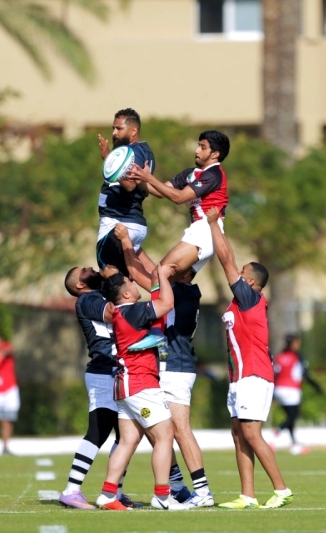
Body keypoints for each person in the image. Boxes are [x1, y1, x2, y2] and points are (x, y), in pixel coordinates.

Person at [113, 223, 214, 507]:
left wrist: (126, 242)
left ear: (184, 272)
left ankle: (202, 491)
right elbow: (152, 268)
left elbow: (139, 273)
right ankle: (177, 485)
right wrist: (135, 245)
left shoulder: (179, 292)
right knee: (157, 429)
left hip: (175, 367)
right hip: (173, 366)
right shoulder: (182, 289)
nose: (167, 267)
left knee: (178, 429)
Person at [204, 208, 294, 510]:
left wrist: (214, 225)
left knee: (252, 433)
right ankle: (247, 495)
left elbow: (226, 259)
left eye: (243, 272)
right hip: (239, 378)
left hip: (254, 375)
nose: (237, 274)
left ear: (252, 282)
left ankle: (281, 489)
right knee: (239, 434)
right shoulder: (238, 303)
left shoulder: (250, 298)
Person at [94, 264, 190, 511]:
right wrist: (162, 276)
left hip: (125, 386)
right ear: (126, 294)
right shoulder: (133, 311)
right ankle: (162, 496)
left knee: (128, 441)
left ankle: (107, 494)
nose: (135, 284)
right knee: (165, 437)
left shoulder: (123, 312)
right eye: (131, 283)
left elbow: (157, 306)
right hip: (141, 384)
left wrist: (158, 281)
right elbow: (167, 304)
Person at [59, 265, 139, 510]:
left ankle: (115, 491)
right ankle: (71, 490)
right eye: (84, 270)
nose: (91, 268)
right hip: (103, 372)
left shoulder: (100, 293)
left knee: (126, 435)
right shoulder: (87, 299)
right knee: (98, 431)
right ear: (79, 285)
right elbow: (115, 313)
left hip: (116, 370)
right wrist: (115, 279)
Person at [127, 130, 229, 281]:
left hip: (206, 230)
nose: (197, 150)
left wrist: (149, 178)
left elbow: (179, 197)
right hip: (201, 230)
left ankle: (134, 291)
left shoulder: (213, 174)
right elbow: (161, 191)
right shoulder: (191, 173)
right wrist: (137, 178)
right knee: (175, 283)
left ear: (215, 154)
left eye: (202, 147)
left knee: (159, 275)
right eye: (198, 145)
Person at [96, 108, 157, 277]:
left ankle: (167, 294)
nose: (114, 133)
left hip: (120, 221)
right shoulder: (139, 150)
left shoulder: (135, 151)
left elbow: (130, 185)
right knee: (127, 277)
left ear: (133, 130)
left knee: (110, 275)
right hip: (126, 220)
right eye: (113, 128)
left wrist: (108, 159)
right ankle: (165, 292)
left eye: (119, 128)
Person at [272, 333, 323, 456]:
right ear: (294, 343)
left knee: (290, 418)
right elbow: (306, 374)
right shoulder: (298, 356)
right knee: (293, 417)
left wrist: (272, 395)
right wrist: (316, 386)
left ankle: (294, 445)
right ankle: (275, 434)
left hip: (278, 390)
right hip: (292, 390)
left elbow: (275, 375)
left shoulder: (280, 356)